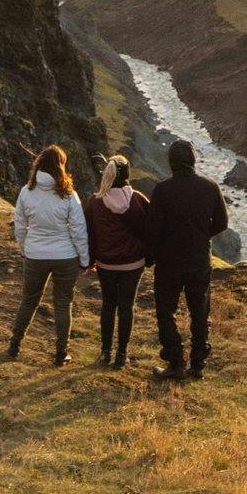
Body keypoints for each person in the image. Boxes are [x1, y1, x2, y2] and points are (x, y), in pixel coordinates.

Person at [148, 136, 229, 381]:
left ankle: (175, 362)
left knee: (166, 310)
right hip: (199, 260)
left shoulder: (162, 191)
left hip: (169, 261)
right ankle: (197, 364)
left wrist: (150, 256)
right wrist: (203, 235)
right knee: (199, 311)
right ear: (193, 161)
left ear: (172, 163)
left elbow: (153, 229)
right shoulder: (210, 187)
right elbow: (223, 222)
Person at [7, 143, 91, 365]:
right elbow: (78, 230)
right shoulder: (68, 195)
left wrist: (25, 249)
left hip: (35, 254)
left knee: (29, 300)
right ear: (60, 166)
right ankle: (61, 353)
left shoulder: (27, 192)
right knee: (63, 304)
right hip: (65, 256)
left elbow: (19, 225)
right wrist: (84, 259)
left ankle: (14, 345)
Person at [85, 155, 153, 367]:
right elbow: (150, 231)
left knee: (108, 305)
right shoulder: (138, 200)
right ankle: (121, 355)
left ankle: (105, 352)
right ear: (127, 175)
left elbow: (88, 233)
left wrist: (90, 259)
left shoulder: (95, 202)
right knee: (126, 306)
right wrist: (149, 257)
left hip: (105, 263)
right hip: (133, 264)